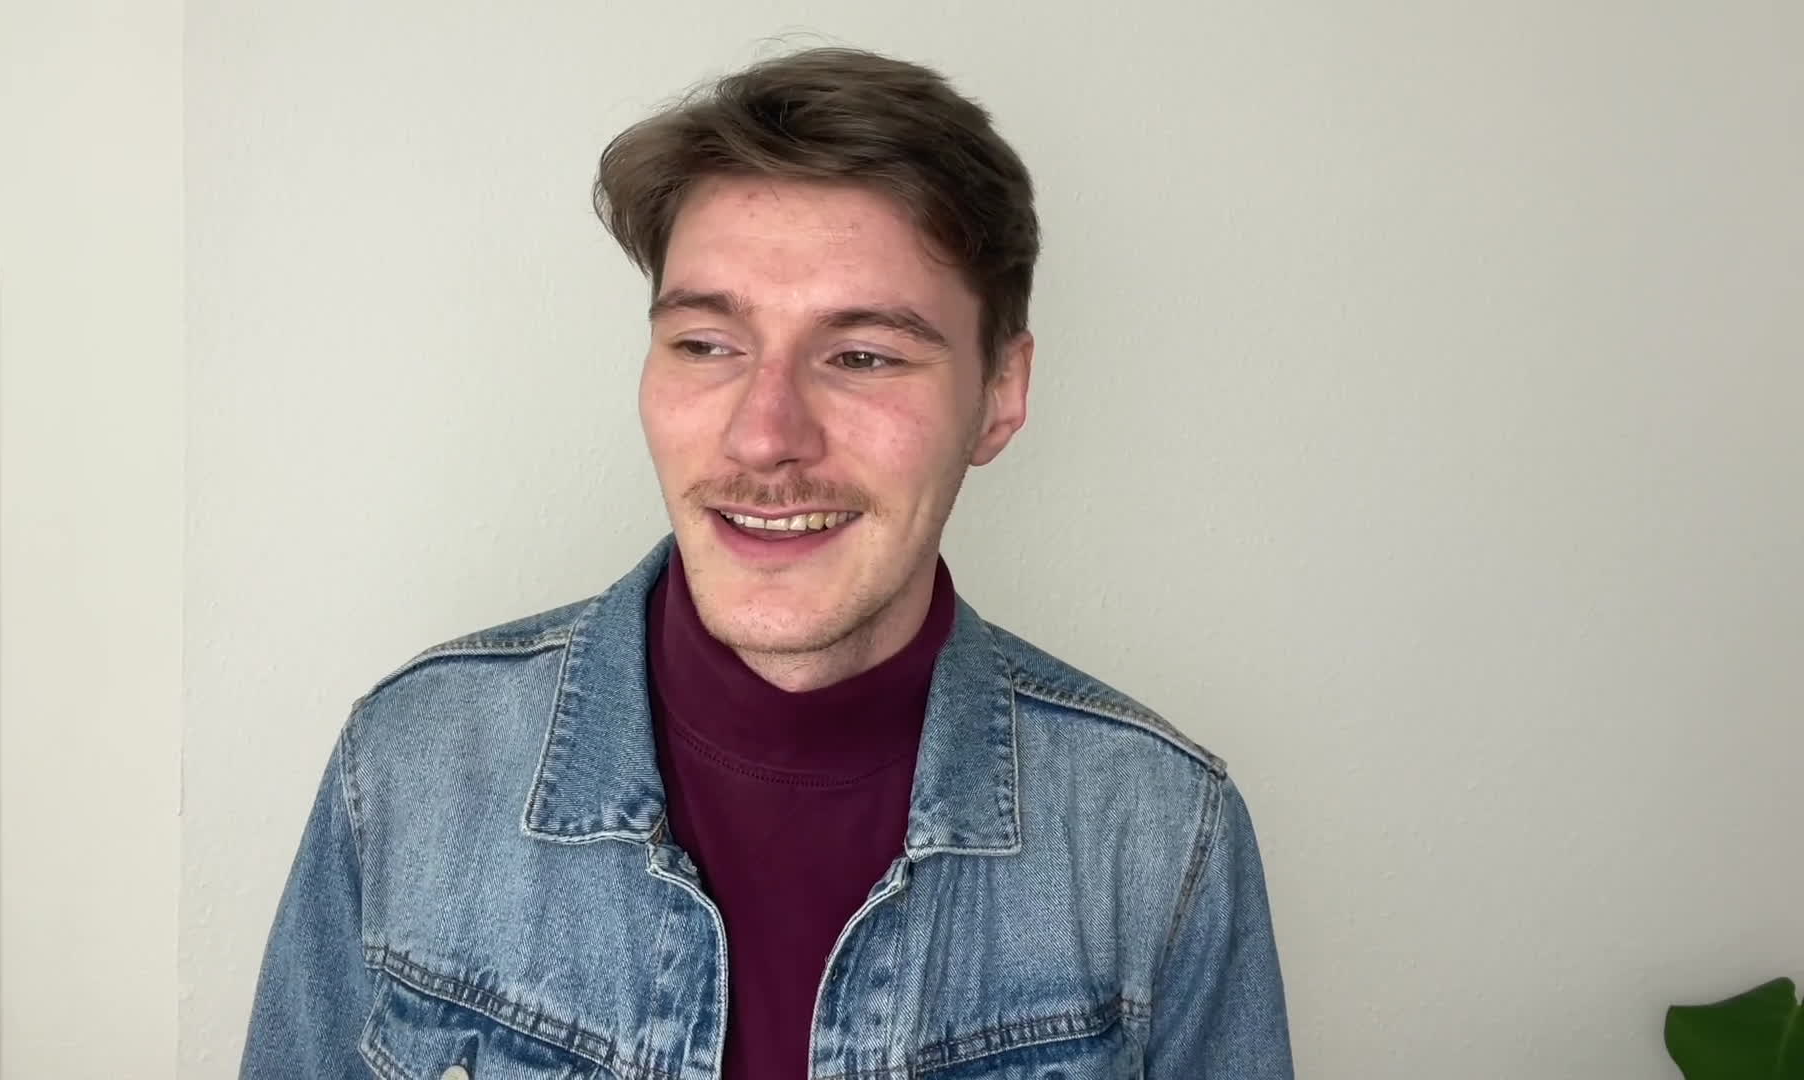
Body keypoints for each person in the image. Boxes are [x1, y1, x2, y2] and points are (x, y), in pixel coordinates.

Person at [240, 46, 1293, 1080]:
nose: (764, 436)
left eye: (863, 355)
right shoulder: (415, 759)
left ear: (999, 395)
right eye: (706, 344)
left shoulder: (1159, 830)